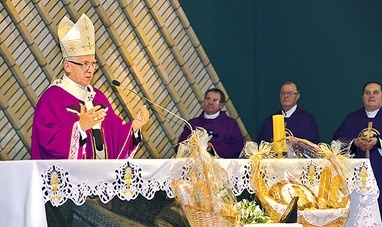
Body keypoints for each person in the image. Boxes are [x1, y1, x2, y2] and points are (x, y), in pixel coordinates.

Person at [31, 14, 149, 159]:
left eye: (92, 64)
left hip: (101, 176)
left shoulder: (98, 97)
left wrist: (134, 127)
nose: (90, 69)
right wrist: (79, 127)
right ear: (67, 66)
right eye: (84, 64)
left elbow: (115, 136)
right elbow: (47, 141)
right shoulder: (52, 98)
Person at [333, 81, 382, 227]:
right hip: (358, 183)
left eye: (375, 92)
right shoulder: (352, 119)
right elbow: (336, 143)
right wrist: (354, 143)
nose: (371, 96)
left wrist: (378, 141)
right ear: (362, 97)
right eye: (367, 93)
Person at [177, 88, 244, 158]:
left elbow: (237, 148)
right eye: (208, 99)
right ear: (204, 101)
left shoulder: (230, 124)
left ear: (221, 105)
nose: (210, 102)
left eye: (215, 100)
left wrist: (211, 147)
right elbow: (180, 148)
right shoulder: (192, 124)